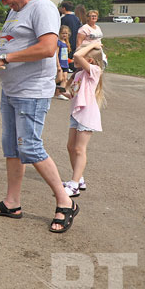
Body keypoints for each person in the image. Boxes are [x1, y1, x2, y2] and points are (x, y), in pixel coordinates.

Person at [0, 0, 78, 234]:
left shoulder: (42, 8)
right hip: (11, 89)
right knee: (11, 147)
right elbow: (10, 43)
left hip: (32, 90)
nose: (5, 4)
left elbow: (47, 48)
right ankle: (12, 203)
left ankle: (65, 201)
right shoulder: (16, 10)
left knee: (30, 147)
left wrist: (5, 59)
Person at [63, 41, 105, 197]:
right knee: (70, 146)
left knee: (79, 149)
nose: (75, 58)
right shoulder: (79, 75)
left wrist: (93, 44)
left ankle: (74, 185)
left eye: (81, 56)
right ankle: (79, 179)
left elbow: (76, 55)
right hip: (76, 114)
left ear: (90, 60)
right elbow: (74, 94)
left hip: (87, 114)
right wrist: (60, 92)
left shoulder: (94, 71)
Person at [59, 1, 82, 71]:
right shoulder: (76, 18)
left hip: (66, 43)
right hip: (75, 42)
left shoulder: (63, 19)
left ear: (64, 8)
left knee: (65, 60)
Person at [54, 25, 71, 101]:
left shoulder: (66, 43)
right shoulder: (59, 43)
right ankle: (49, 86)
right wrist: (58, 65)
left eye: (66, 33)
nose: (64, 35)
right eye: (63, 33)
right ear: (59, 33)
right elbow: (56, 54)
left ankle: (59, 93)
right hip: (60, 64)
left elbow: (65, 56)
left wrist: (70, 61)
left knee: (65, 79)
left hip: (65, 64)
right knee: (59, 78)